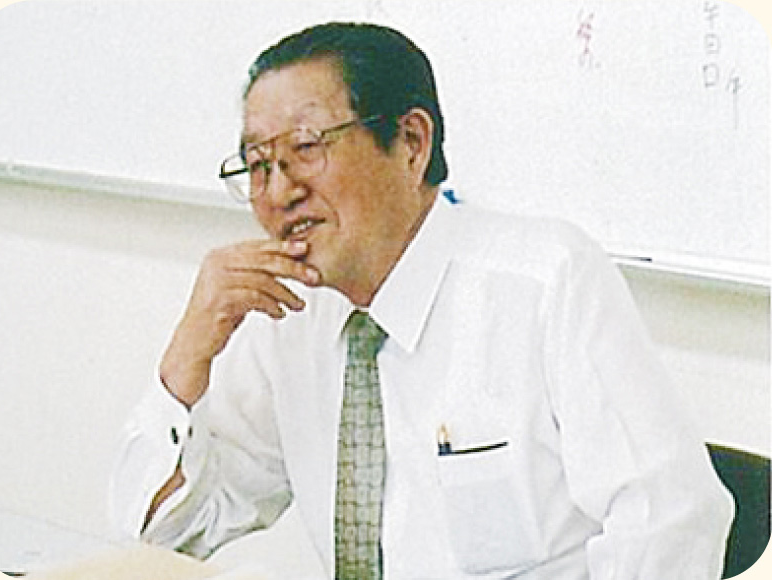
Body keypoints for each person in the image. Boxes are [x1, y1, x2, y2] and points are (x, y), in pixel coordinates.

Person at [110, 21, 734, 579]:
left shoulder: (547, 283)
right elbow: (166, 541)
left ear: (411, 142)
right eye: (257, 164)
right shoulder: (288, 314)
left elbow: (672, 521)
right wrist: (187, 357)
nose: (278, 192)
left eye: (306, 148)